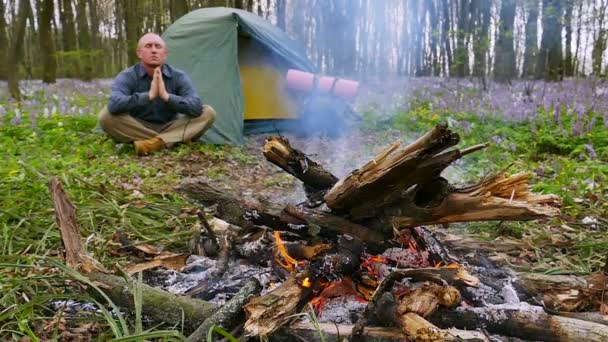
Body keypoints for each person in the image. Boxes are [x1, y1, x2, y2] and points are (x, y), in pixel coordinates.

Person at [98, 33, 215, 155]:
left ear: (165, 54)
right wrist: (148, 96)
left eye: (158, 46)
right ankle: (172, 140)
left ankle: (153, 144)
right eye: (148, 46)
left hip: (171, 125)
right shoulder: (127, 76)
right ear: (139, 53)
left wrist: (167, 96)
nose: (153, 50)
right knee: (106, 116)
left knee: (208, 112)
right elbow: (114, 104)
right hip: (137, 126)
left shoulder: (178, 76)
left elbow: (196, 107)